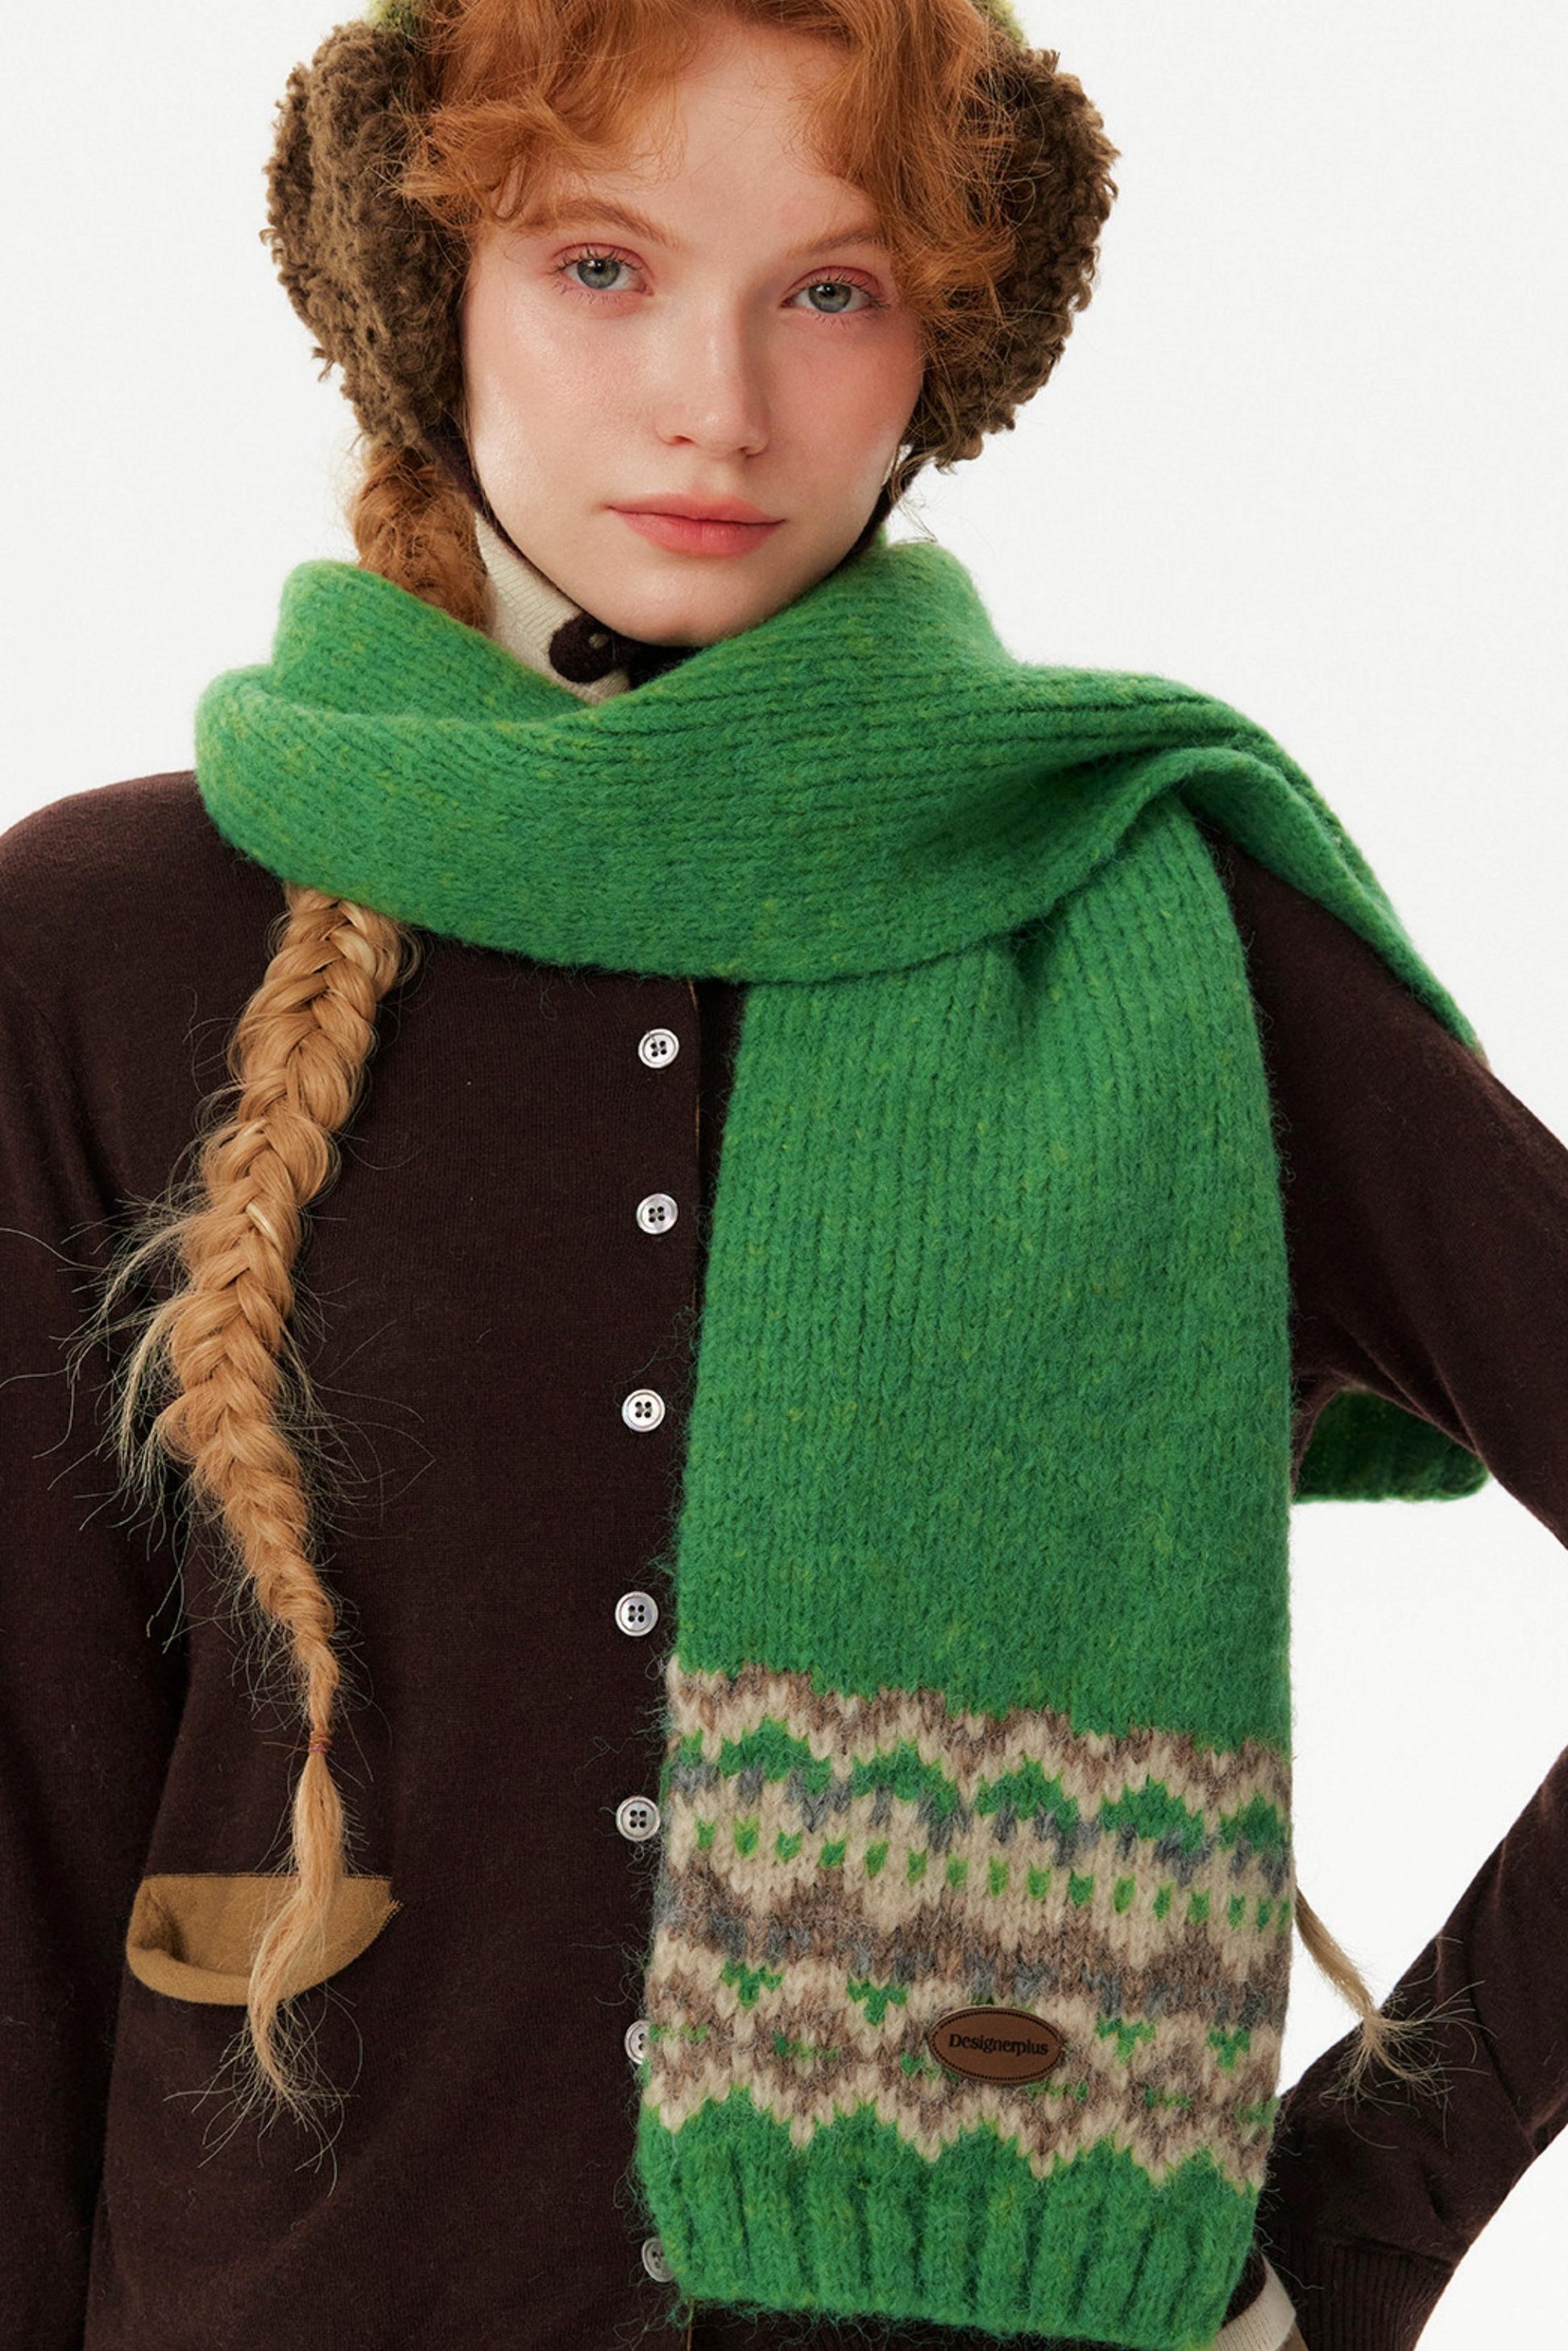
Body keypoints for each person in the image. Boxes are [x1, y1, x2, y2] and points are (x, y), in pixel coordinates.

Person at [1, 2, 1564, 2347]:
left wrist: (1376, 2199)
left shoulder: (1172, 933)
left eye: (830, 289)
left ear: (954, 332)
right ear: (425, 285)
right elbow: (25, 1823)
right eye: (599, 267)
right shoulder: (108, 945)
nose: (715, 405)